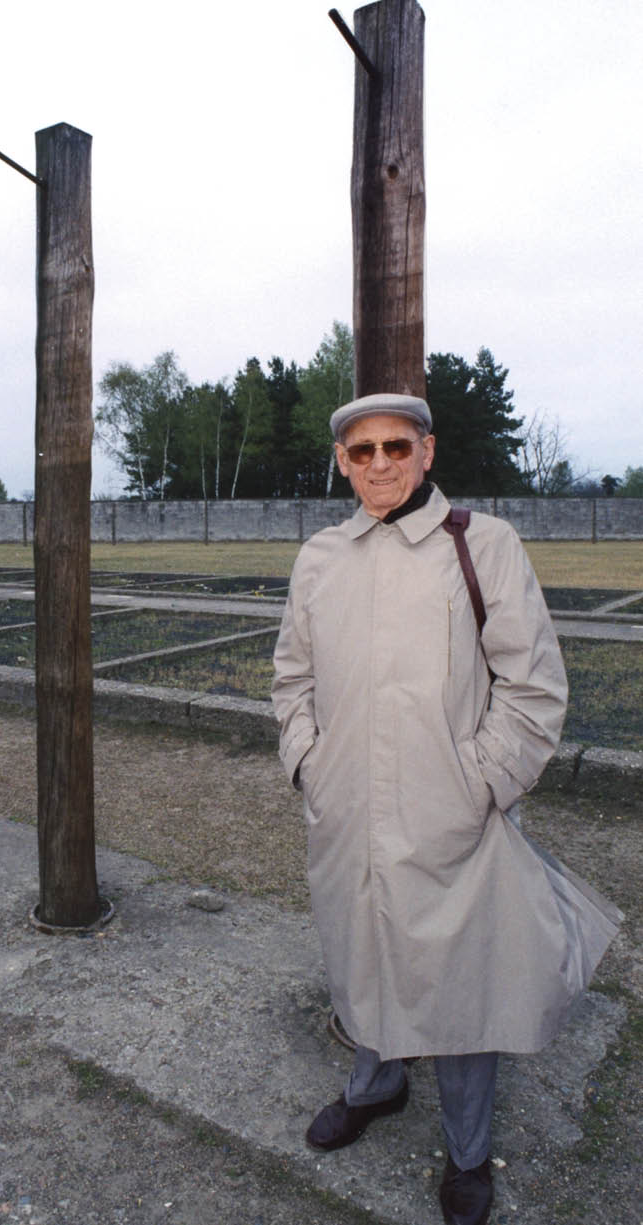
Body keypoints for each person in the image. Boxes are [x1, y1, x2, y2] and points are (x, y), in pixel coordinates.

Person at [271, 392, 622, 1225]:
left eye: (397, 446)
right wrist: (308, 766)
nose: (381, 463)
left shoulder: (484, 544)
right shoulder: (321, 558)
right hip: (347, 811)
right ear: (343, 463)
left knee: (463, 982)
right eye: (362, 452)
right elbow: (292, 677)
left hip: (452, 815)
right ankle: (377, 1081)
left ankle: (467, 1151)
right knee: (360, 953)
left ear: (427, 451)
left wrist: (480, 784)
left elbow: (533, 688)